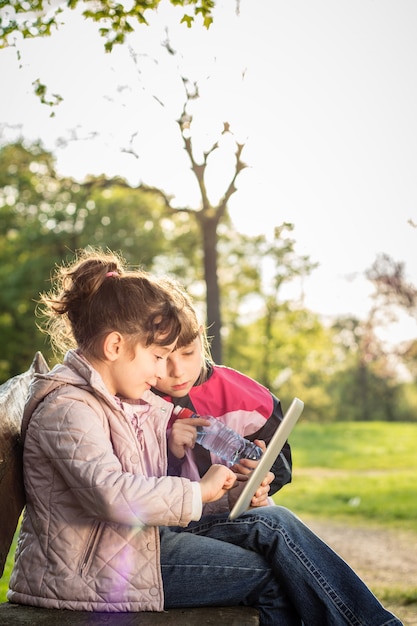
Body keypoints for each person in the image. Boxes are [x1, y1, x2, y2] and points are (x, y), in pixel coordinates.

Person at [8, 249, 402, 626]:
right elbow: (114, 495)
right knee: (271, 575)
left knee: (272, 522)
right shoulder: (69, 408)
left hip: (130, 547)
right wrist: (200, 493)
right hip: (92, 570)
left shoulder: (119, 402)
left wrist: (230, 493)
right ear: (115, 346)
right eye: (158, 357)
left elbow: (146, 492)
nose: (163, 372)